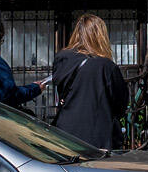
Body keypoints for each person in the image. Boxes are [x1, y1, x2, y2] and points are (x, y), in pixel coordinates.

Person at [50, 13, 132, 151]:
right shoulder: (106, 66)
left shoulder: (62, 59)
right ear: (101, 36)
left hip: (66, 133)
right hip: (97, 136)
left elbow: (61, 91)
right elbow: (121, 104)